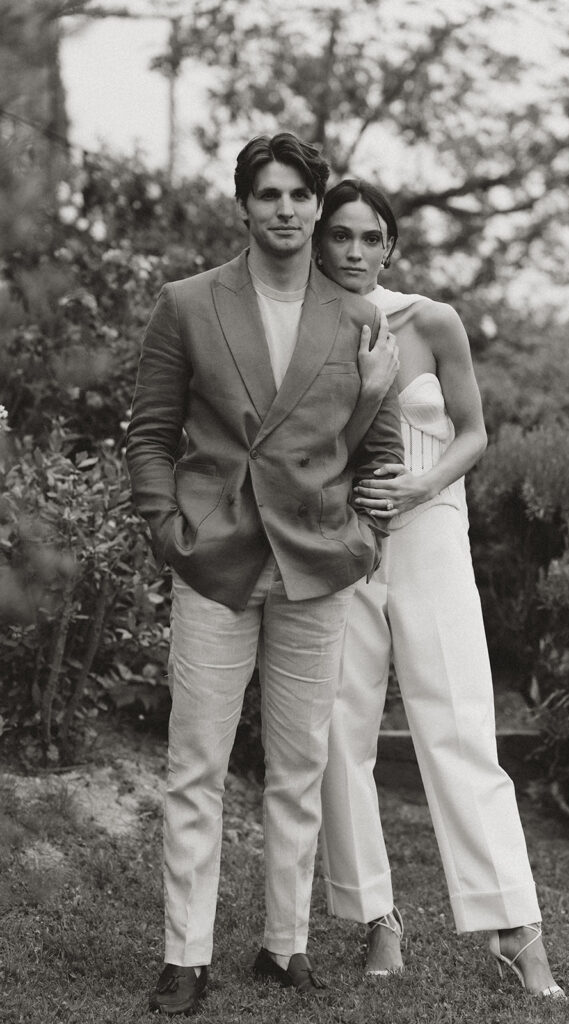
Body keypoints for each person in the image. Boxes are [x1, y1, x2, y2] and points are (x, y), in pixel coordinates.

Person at [126, 140, 403, 1015]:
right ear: (243, 206)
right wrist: (170, 532)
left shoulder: (357, 317)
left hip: (316, 566)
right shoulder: (187, 303)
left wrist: (362, 538)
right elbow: (150, 435)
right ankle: (185, 956)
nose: (285, 209)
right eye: (268, 193)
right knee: (196, 765)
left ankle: (285, 946)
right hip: (216, 563)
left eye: (298, 195)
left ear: (318, 207)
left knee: (299, 765)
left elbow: (381, 453)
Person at [316, 179, 565, 998]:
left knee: (458, 724)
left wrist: (423, 488)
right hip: (343, 543)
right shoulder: (303, 326)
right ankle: (376, 918)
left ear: (390, 246)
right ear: (319, 243)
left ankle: (515, 928)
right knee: (338, 730)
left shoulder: (431, 320)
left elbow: (473, 432)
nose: (354, 251)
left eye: (369, 237)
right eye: (339, 235)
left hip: (429, 532)